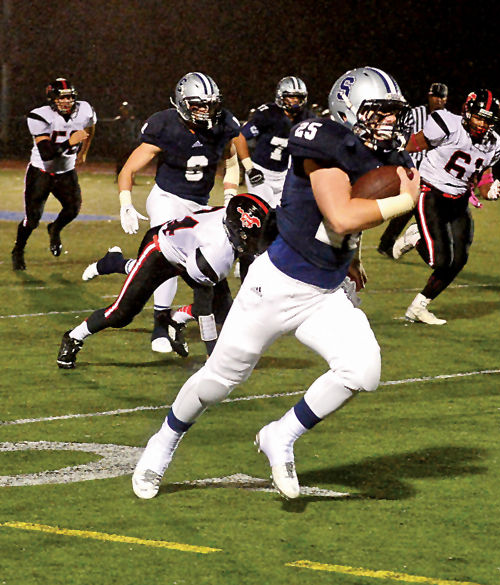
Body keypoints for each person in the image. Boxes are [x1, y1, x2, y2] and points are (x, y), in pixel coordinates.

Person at [131, 66, 420, 500]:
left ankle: (280, 435)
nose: (388, 123)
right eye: (378, 113)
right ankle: (163, 441)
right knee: (218, 381)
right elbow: (340, 214)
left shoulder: (384, 152)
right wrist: (406, 199)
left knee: (363, 369)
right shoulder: (319, 139)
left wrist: (352, 255)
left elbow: (352, 214)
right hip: (278, 283)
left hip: (325, 291)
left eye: (393, 114)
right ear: (348, 109)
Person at [57, 194, 270, 369]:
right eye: (251, 238)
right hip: (161, 251)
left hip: (190, 252)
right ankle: (74, 337)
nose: (256, 243)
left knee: (224, 308)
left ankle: (176, 319)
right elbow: (204, 307)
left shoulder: (229, 226)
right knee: (122, 313)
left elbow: (248, 260)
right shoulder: (216, 253)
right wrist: (211, 355)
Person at [116, 72, 242, 354]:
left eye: (209, 104)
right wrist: (126, 203)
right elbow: (129, 169)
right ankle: (160, 323)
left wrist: (230, 196)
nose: (205, 110)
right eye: (198, 105)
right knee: (168, 262)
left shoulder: (222, 124)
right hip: (167, 199)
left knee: (209, 267)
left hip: (201, 205)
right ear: (183, 103)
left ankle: (178, 314)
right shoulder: (165, 125)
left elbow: (231, 162)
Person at [394, 89, 500, 325]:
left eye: (488, 120)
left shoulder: (494, 144)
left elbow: (484, 178)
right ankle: (415, 238)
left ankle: (419, 307)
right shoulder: (447, 124)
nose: (483, 125)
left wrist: (491, 189)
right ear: (467, 111)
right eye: (479, 117)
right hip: (431, 192)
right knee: (441, 261)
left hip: (459, 200)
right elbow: (411, 145)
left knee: (459, 261)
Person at [11, 78, 96, 270]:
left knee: (73, 209)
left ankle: (55, 229)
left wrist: (84, 152)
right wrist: (71, 143)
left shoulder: (85, 109)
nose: (66, 102)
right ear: (52, 99)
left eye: (69, 98)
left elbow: (90, 126)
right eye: (61, 98)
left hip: (66, 172)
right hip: (41, 172)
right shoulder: (39, 116)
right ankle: (18, 249)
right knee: (32, 220)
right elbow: (47, 154)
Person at [377, 81, 448, 258]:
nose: (438, 100)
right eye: (435, 96)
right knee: (415, 208)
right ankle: (415, 240)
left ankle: (389, 243)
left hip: (434, 172)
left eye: (442, 97)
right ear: (429, 96)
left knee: (411, 208)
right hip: (412, 168)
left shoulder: (449, 119)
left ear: (446, 99)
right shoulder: (415, 113)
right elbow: (401, 134)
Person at [234, 76, 314, 208]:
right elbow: (239, 136)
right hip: (260, 172)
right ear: (280, 96)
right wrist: (249, 168)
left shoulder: (306, 118)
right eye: (291, 97)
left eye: (298, 97)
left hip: (284, 176)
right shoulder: (269, 114)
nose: (295, 101)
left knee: (283, 215)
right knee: (263, 212)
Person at [111, 101, 141, 178]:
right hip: (121, 143)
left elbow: (137, 132)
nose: (125, 112)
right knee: (120, 161)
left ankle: (131, 177)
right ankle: (119, 176)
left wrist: (136, 141)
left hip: (131, 144)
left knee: (131, 162)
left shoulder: (134, 121)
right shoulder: (118, 120)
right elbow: (114, 132)